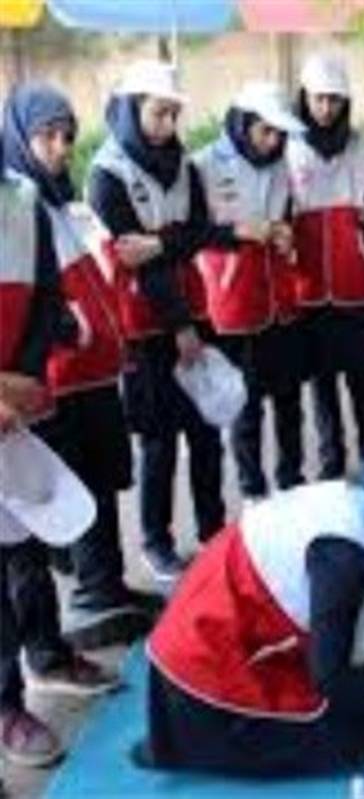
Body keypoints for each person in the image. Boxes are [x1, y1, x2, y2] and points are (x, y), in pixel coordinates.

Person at [132, 446, 364, 776]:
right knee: (349, 735)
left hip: (209, 628)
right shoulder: (344, 555)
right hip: (198, 663)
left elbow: (352, 628)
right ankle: (194, 740)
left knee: (358, 697)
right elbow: (331, 678)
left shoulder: (363, 501)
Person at [3, 82, 160, 649]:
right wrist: (66, 330)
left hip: (93, 374)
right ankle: (89, 598)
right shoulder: (20, 205)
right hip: (56, 381)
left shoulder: (60, 198)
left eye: (67, 135)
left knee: (104, 480)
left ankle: (108, 583)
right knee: (66, 496)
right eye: (47, 135)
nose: (60, 147)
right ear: (19, 136)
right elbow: (37, 297)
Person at [1, 130, 119, 770]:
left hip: (17, 406)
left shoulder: (21, 197)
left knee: (28, 543)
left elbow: (46, 297)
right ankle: (6, 705)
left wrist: (21, 382)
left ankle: (45, 654)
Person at [87, 60, 226, 583]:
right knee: (159, 440)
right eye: (157, 113)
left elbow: (200, 233)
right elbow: (134, 258)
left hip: (195, 309)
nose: (167, 124)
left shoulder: (184, 165)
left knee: (206, 430)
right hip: (146, 326)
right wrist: (180, 325)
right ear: (131, 109)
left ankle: (214, 530)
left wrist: (163, 242)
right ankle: (156, 541)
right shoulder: (107, 174)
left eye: (173, 114)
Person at [193, 81, 308, 503]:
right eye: (265, 131)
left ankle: (292, 480)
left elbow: (286, 214)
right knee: (246, 406)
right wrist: (238, 232)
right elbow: (191, 233)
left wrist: (285, 233)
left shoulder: (281, 164)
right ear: (243, 124)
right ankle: (253, 490)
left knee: (290, 400)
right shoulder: (203, 164)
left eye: (280, 133)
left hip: (280, 299)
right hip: (233, 304)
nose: (273, 141)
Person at [287, 52, 364, 480]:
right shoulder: (288, 146)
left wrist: (362, 244)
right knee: (321, 378)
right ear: (304, 97)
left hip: (352, 279)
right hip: (309, 282)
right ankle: (332, 457)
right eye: (319, 98)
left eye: (335, 99)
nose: (326, 108)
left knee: (360, 373)